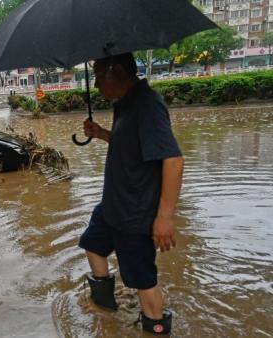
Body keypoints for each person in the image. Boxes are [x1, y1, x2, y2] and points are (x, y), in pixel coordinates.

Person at [78, 53, 184, 335]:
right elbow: (133, 144)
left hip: (135, 213)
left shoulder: (147, 104)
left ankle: (155, 326)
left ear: (119, 72)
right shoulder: (125, 103)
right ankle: (106, 311)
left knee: (141, 278)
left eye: (99, 76)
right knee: (92, 244)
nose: (97, 84)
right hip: (113, 205)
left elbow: (173, 159)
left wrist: (164, 217)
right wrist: (102, 134)